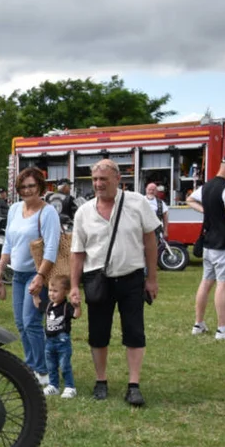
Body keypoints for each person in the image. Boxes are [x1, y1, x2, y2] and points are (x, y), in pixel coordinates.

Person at [69, 159, 160, 406]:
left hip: (131, 277)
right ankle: (101, 380)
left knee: (134, 331)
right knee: (98, 332)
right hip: (97, 279)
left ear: (118, 180)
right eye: (95, 180)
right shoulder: (83, 212)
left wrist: (152, 278)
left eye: (104, 180)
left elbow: (150, 242)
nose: (98, 184)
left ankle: (134, 385)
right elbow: (77, 252)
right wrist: (74, 286)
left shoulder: (138, 203)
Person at [0, 167, 62, 385]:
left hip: (36, 273)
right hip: (18, 275)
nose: (27, 190)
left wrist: (40, 277)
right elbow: (8, 242)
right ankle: (31, 365)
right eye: (23, 187)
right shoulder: (14, 209)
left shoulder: (47, 211)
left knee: (31, 321)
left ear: (40, 186)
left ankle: (43, 372)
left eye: (31, 185)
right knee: (20, 323)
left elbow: (51, 247)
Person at [188, 153, 225, 340]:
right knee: (224, 285)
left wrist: (207, 211)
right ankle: (223, 329)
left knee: (206, 283)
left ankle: (199, 323)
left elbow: (189, 200)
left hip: (209, 244)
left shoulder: (207, 187)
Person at [33, 274, 80, 398]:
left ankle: (70, 387)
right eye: (50, 290)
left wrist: (77, 306)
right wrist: (35, 294)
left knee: (64, 365)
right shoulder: (49, 305)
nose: (51, 294)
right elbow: (38, 304)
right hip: (49, 341)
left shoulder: (66, 306)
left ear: (65, 292)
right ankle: (54, 386)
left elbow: (76, 315)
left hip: (62, 341)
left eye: (55, 291)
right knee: (51, 366)